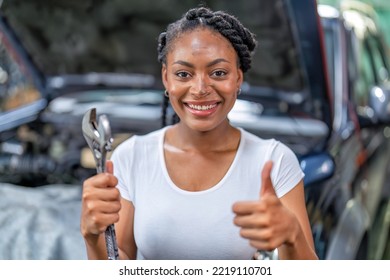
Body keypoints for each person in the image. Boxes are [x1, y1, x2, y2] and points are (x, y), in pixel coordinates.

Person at [80, 6, 318, 260]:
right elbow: (120, 262)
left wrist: (292, 236)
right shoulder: (131, 157)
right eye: (183, 74)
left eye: (218, 73)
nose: (200, 88)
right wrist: (93, 237)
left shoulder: (275, 160)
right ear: (166, 79)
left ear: (238, 79)